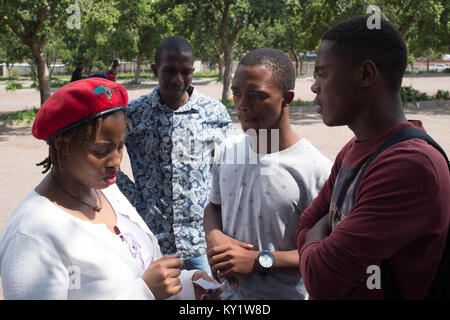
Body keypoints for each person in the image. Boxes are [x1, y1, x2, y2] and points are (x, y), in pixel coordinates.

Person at [0, 78, 221, 300]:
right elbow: (143, 289)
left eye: (120, 146)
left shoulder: (106, 191)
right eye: (100, 151)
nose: (116, 160)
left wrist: (185, 284)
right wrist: (144, 293)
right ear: (62, 145)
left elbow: (140, 273)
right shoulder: (31, 235)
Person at [296, 16, 450, 299]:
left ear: (366, 74)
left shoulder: (410, 165)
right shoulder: (353, 149)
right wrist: (317, 237)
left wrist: (319, 232)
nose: (315, 86)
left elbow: (320, 278)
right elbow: (303, 226)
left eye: (323, 74)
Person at [204, 48, 332, 300]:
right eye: (237, 94)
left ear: (287, 98)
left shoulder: (316, 170)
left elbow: (325, 256)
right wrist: (214, 236)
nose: (241, 105)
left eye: (256, 96)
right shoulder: (228, 150)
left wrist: (258, 261)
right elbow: (213, 207)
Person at [116, 36, 236, 275]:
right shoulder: (134, 114)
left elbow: (229, 166)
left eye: (186, 72)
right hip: (152, 242)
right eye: (169, 71)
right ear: (154, 70)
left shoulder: (213, 111)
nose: (177, 80)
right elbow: (105, 159)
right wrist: (133, 196)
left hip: (201, 243)